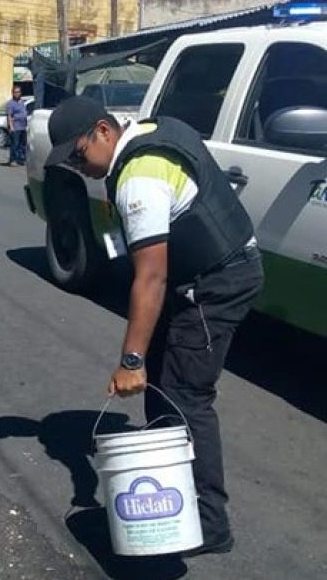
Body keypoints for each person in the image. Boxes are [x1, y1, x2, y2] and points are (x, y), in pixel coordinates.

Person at [44, 96, 264, 557]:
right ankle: (174, 495)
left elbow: (150, 277)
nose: (78, 167)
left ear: (103, 131)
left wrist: (130, 360)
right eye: (69, 162)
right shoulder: (144, 134)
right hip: (199, 272)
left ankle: (208, 522)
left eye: (79, 155)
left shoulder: (139, 178)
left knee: (186, 394)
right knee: (162, 386)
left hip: (216, 282)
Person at [3, 85, 28, 166]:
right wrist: (11, 127)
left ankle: (20, 159)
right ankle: (13, 160)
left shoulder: (22, 102)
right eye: (15, 92)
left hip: (23, 127)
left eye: (18, 92)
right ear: (12, 93)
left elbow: (24, 113)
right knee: (15, 145)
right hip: (15, 127)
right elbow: (9, 116)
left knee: (22, 145)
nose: (17, 94)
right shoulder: (10, 104)